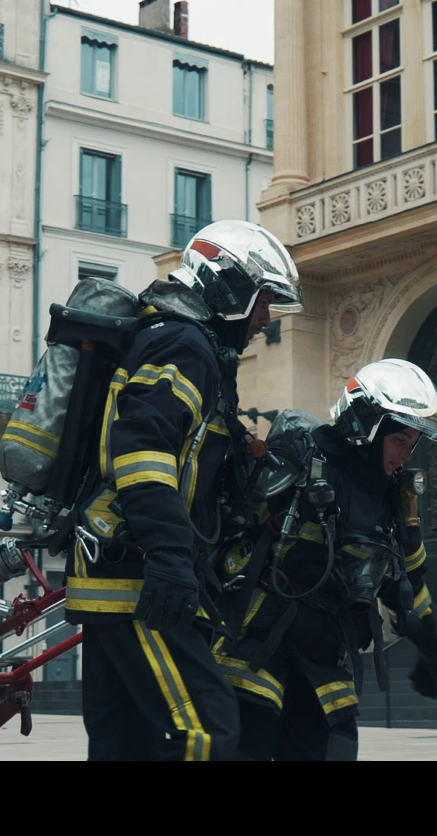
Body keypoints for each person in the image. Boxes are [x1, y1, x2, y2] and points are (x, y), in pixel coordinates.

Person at [63, 219, 302, 761]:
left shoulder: (173, 341)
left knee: (124, 742)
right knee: (206, 730)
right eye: (264, 301)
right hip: (138, 571)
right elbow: (142, 444)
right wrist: (170, 554)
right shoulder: (186, 346)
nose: (266, 318)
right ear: (232, 288)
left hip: (110, 567)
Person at [212, 359, 437, 761]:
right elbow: (227, 525)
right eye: (400, 441)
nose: (406, 455)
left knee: (333, 748)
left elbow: (409, 583)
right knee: (247, 744)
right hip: (261, 641)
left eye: (412, 444)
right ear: (368, 425)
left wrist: (433, 651)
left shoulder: (395, 500)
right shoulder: (302, 458)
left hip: (326, 652)